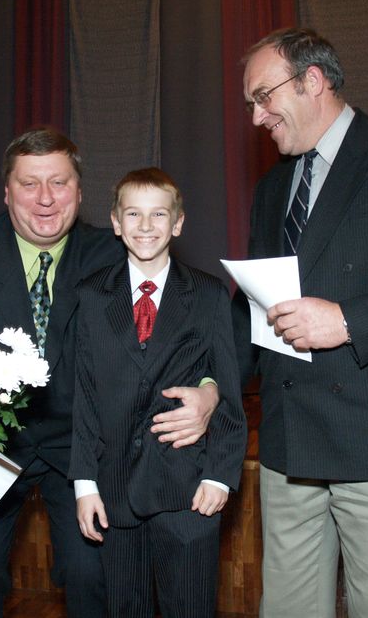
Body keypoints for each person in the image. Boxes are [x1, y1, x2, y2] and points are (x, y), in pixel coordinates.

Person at [0, 128, 220, 618]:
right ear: (7, 191)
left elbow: (197, 332)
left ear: (81, 192)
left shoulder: (121, 253)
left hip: (85, 449)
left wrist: (209, 391)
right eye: (29, 184)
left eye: (59, 183)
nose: (45, 199)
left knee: (93, 578)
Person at [233, 27, 368, 618]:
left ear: (312, 80)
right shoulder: (272, 188)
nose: (256, 117)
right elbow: (251, 308)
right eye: (250, 104)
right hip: (288, 443)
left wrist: (349, 321)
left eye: (262, 97)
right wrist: (209, 386)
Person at [69, 167, 247, 617]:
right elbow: (84, 396)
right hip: (114, 492)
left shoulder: (208, 294)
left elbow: (227, 389)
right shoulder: (91, 296)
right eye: (133, 214)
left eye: (159, 214)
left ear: (178, 223)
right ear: (115, 222)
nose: (145, 225)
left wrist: (219, 475)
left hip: (188, 489)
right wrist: (85, 484)